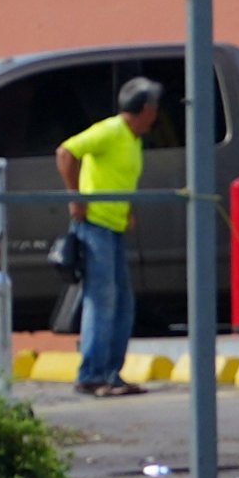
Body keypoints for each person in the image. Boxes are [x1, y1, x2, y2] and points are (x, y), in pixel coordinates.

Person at [54, 78, 166, 397]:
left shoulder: (133, 139)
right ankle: (92, 374)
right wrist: (76, 198)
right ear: (145, 109)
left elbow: (121, 177)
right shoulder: (111, 130)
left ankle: (110, 372)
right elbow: (66, 153)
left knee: (122, 303)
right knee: (102, 300)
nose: (156, 116)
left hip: (114, 226)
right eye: (155, 109)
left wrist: (128, 208)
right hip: (95, 226)